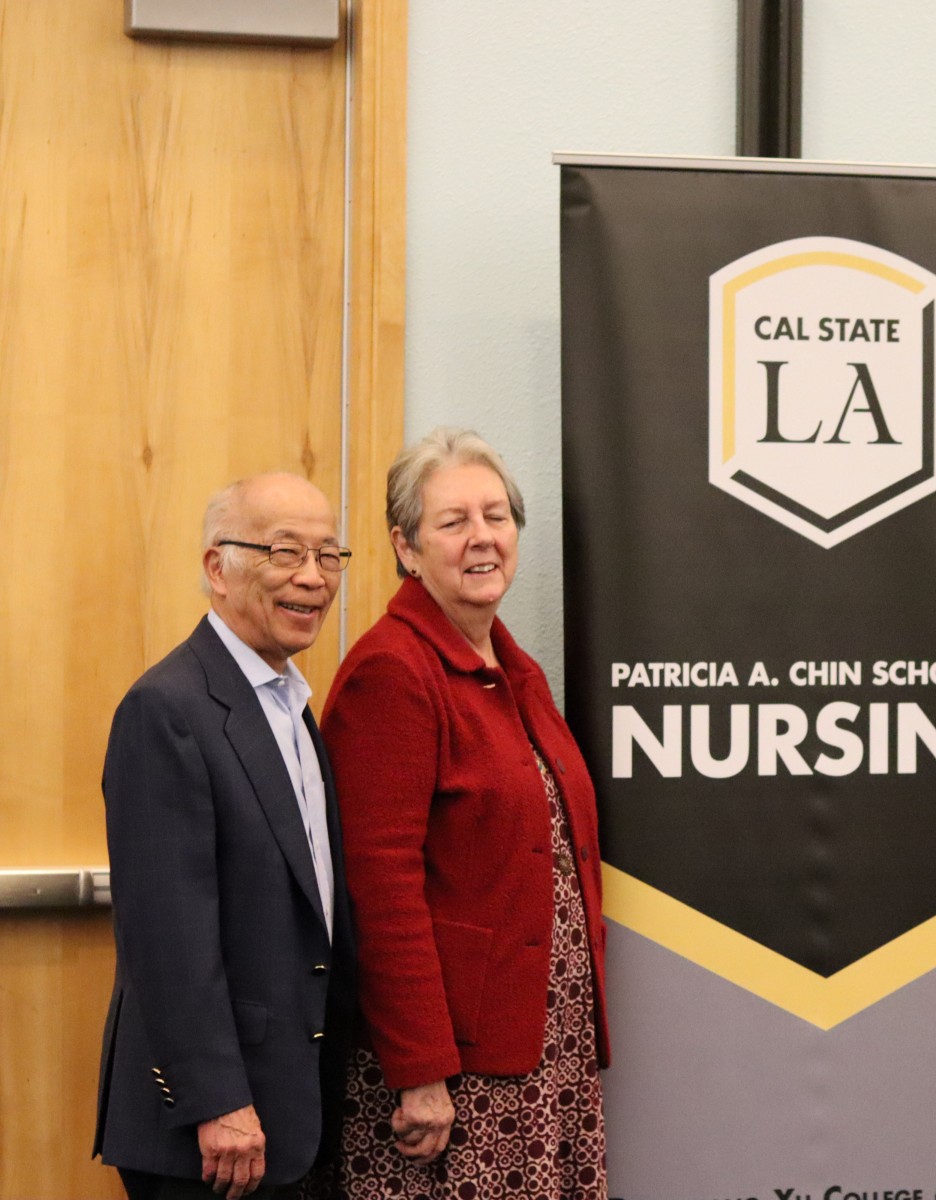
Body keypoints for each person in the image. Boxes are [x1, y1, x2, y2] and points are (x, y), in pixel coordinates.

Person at [317, 428, 609, 1200]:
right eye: (453, 522)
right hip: (452, 1076)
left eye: (496, 515)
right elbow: (377, 888)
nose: (482, 537)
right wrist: (419, 1073)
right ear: (406, 549)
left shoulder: (511, 668)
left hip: (540, 1052)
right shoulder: (392, 670)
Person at [95, 474, 359, 1200]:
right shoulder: (167, 708)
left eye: (330, 555)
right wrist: (217, 1101)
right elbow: (165, 931)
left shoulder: (291, 704)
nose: (312, 577)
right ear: (218, 567)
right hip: (210, 1130)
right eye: (284, 552)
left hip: (285, 1107)